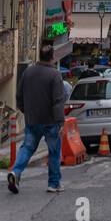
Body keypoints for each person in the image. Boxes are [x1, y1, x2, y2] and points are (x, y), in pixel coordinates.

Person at [7, 43, 68, 195]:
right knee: (54, 151)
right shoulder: (55, 75)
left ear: (39, 56)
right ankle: (53, 184)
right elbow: (58, 100)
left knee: (27, 148)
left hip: (32, 119)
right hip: (50, 121)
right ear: (52, 57)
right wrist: (60, 121)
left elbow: (19, 95)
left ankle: (15, 172)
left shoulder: (28, 72)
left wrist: (25, 110)